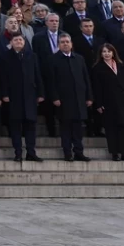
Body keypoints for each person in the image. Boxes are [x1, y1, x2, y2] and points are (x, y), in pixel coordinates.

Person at [46, 33, 93, 161]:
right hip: (63, 100)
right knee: (65, 128)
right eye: (62, 42)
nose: (65, 44)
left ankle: (79, 152)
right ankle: (67, 153)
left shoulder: (79, 58)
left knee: (78, 128)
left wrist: (89, 97)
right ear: (59, 45)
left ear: (71, 44)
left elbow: (86, 78)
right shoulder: (53, 59)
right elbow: (51, 81)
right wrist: (54, 97)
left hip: (79, 99)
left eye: (67, 41)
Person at [0, 33, 45, 162]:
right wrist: (4, 94)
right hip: (14, 97)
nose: (18, 42)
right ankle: (18, 153)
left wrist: (40, 93)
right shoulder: (5, 57)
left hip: (30, 96)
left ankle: (31, 152)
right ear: (11, 42)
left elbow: (38, 75)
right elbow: (3, 78)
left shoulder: (32, 56)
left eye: (20, 39)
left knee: (30, 126)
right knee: (15, 126)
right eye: (16, 40)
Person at [91, 43, 124, 161]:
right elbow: (96, 87)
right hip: (108, 102)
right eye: (104, 52)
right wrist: (99, 104)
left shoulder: (120, 65)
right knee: (111, 128)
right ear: (101, 54)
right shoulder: (97, 68)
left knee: (122, 127)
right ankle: (115, 153)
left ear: (113, 52)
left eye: (109, 51)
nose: (107, 54)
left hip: (123, 102)